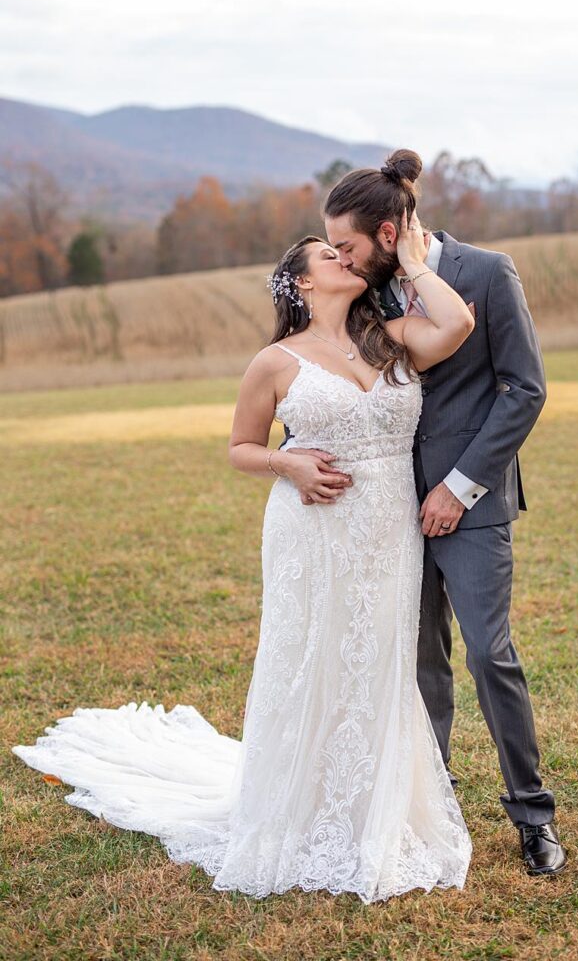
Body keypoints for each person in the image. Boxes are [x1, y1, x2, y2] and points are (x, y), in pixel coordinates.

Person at [12, 207, 476, 904]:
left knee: (377, 657)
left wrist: (411, 262)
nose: (344, 261)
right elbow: (239, 448)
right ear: (299, 284)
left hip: (387, 529)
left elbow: (457, 325)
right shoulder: (274, 362)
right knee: (312, 656)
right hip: (311, 529)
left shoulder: (388, 340)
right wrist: (287, 466)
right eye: (327, 257)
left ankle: (371, 811)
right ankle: (299, 809)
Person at [281, 148, 567, 877]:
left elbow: (522, 390)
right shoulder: (365, 292)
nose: (338, 258)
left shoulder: (485, 272)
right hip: (383, 514)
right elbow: (331, 379)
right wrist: (297, 453)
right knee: (415, 666)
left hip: (468, 506)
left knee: (486, 654)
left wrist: (459, 486)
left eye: (345, 243)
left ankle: (531, 816)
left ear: (385, 233)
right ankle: (425, 811)